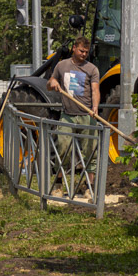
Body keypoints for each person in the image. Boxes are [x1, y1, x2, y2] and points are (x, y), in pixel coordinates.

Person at [47, 36, 101, 175]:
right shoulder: (62, 65)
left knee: (91, 152)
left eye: (86, 52)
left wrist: (95, 107)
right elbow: (50, 83)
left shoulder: (92, 69)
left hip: (87, 115)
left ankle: (90, 187)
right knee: (63, 150)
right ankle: (58, 184)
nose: (84, 54)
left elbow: (95, 90)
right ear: (74, 48)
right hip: (67, 116)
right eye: (81, 51)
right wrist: (52, 82)